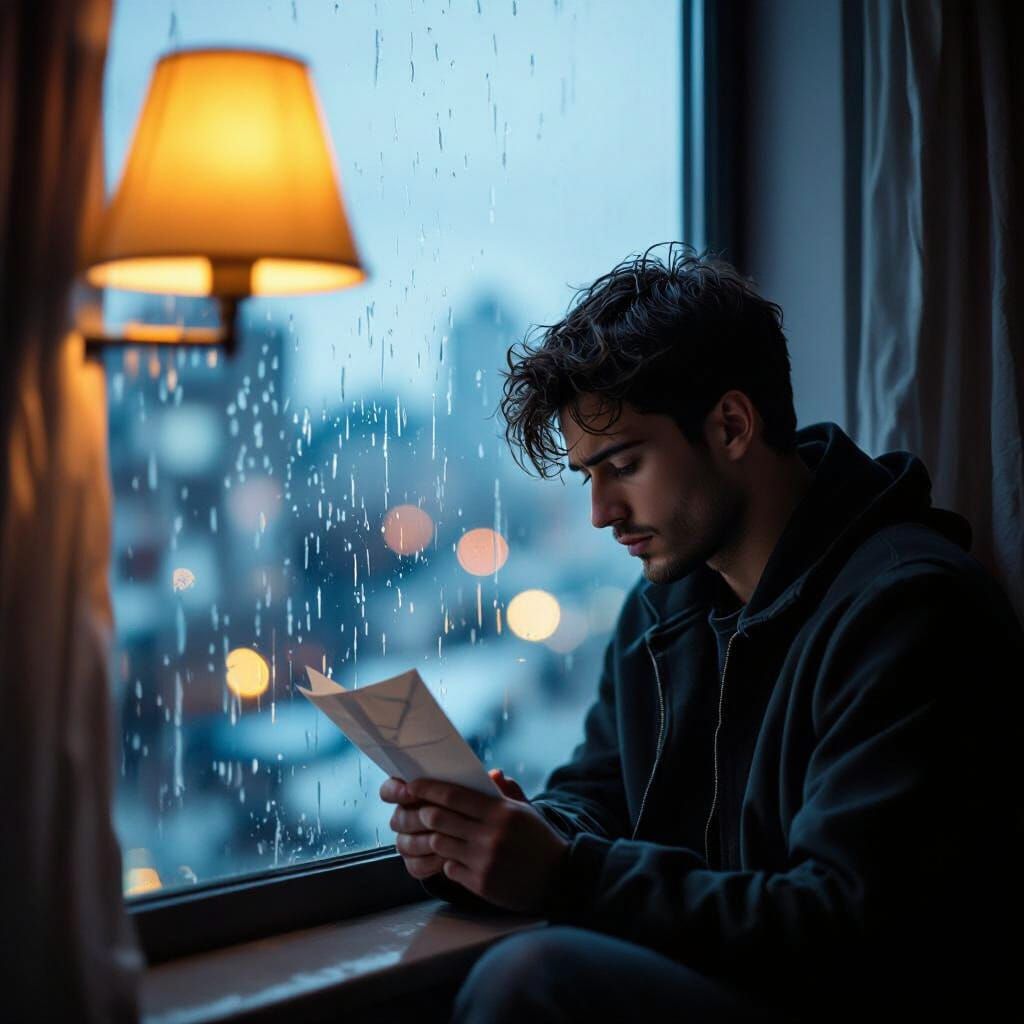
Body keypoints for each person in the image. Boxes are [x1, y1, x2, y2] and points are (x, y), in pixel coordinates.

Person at [380, 243, 1024, 1023]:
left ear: (730, 424)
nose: (600, 512)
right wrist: (501, 837)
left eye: (623, 463)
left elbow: (845, 927)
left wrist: (566, 874)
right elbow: (599, 798)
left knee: (531, 980)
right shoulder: (659, 614)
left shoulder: (914, 615)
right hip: (716, 979)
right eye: (589, 476)